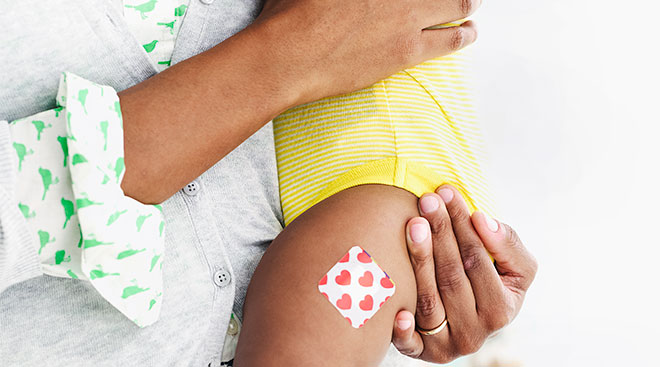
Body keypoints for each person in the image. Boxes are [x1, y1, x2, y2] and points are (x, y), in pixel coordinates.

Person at [0, 0, 537, 365]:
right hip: (386, 183)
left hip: (401, 195)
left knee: (357, 283)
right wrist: (286, 58)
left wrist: (453, 301)